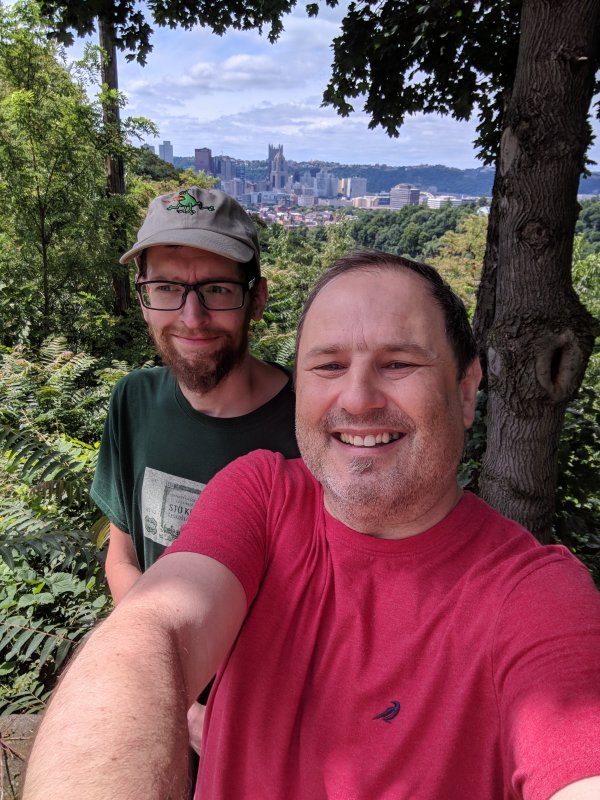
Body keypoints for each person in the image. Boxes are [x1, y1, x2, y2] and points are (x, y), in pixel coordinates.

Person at [23, 251, 600, 800]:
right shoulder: (261, 495)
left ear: (467, 390)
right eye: (328, 365)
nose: (359, 397)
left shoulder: (536, 595)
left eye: (398, 363)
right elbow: (153, 633)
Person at [90, 185, 299, 742]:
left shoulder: (315, 427)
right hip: (165, 708)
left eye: (216, 289)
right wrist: (174, 693)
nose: (192, 316)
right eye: (166, 288)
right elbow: (124, 559)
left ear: (256, 299)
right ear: (142, 297)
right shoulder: (133, 402)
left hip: (276, 733)